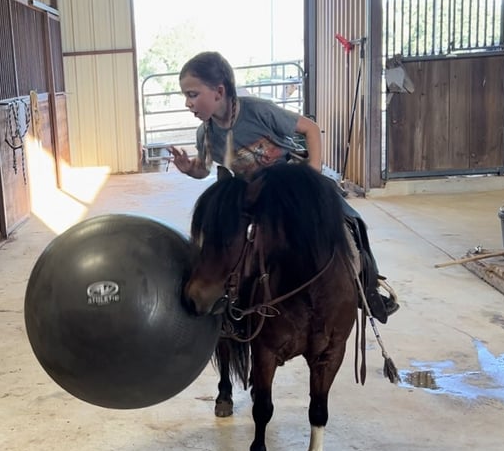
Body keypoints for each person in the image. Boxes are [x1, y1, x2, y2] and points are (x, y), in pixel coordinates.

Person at [168, 51, 399, 323]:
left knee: (350, 218)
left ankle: (367, 288)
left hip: (289, 186)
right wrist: (189, 168)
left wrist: (312, 174)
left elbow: (310, 129)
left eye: (192, 94)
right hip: (249, 193)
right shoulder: (205, 132)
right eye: (186, 96)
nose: (187, 103)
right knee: (220, 233)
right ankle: (228, 295)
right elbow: (204, 168)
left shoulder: (258, 111)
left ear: (219, 92)